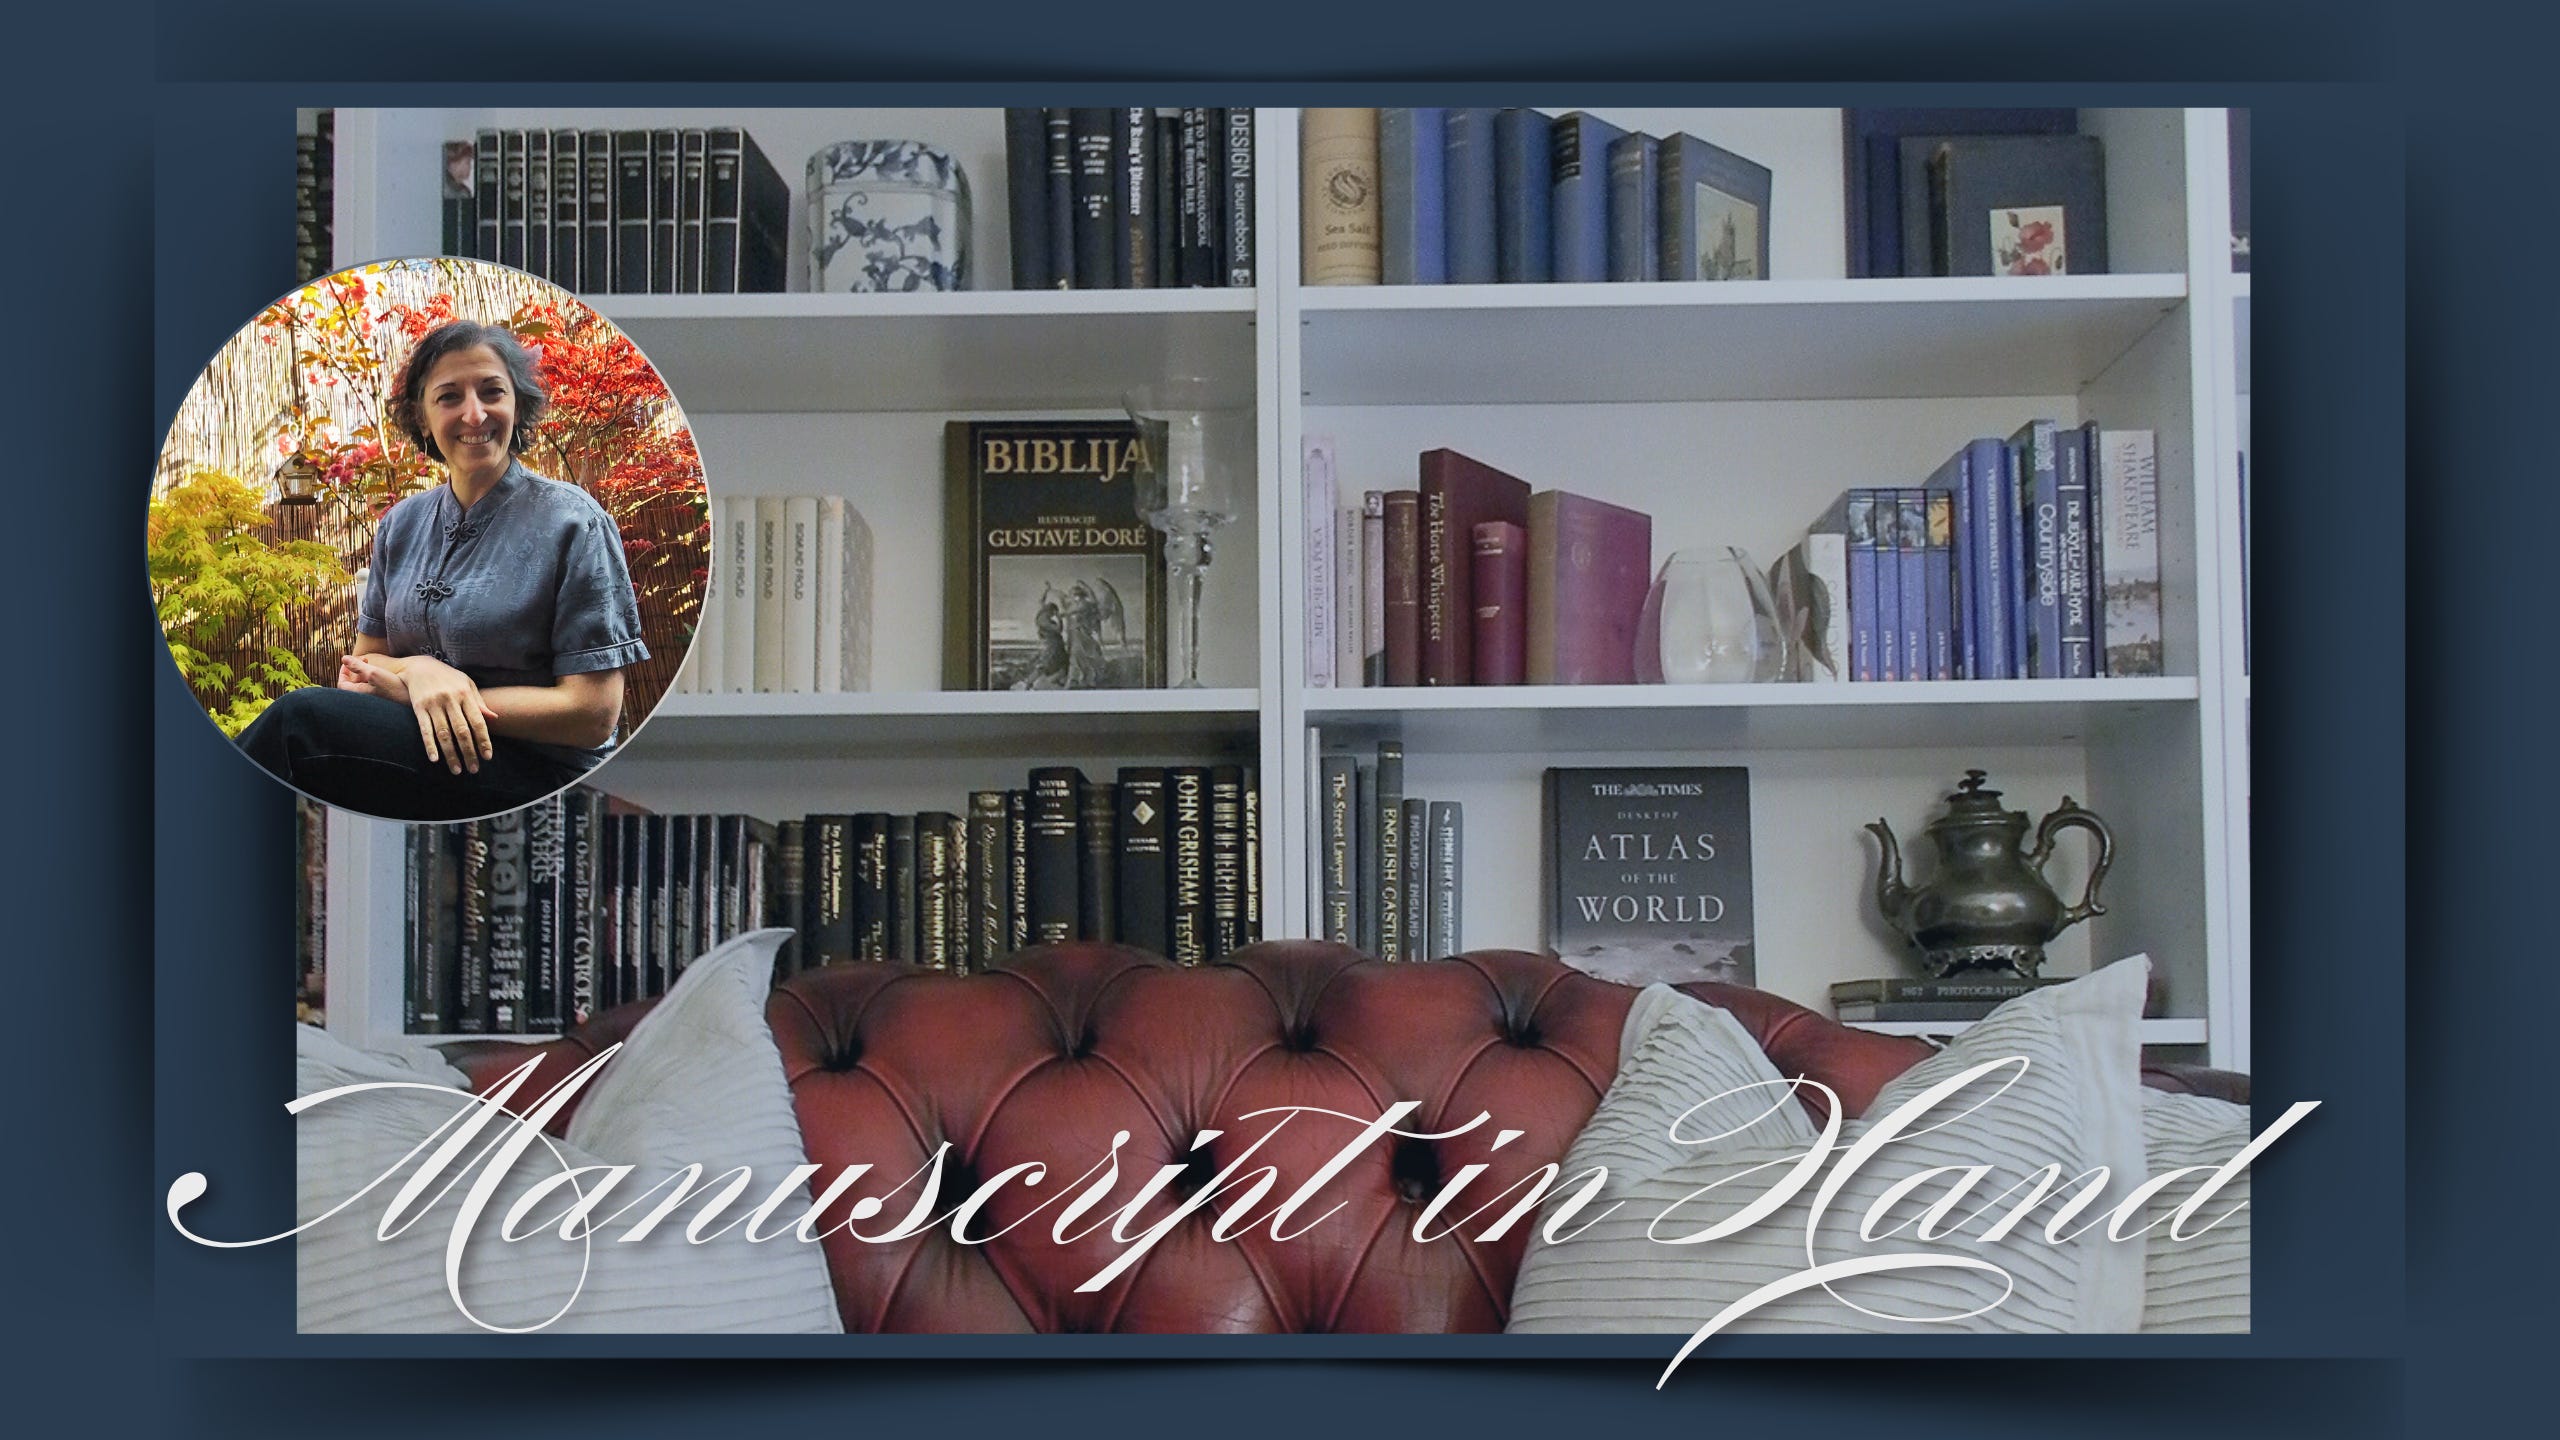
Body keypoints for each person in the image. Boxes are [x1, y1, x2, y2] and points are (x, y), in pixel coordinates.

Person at [235, 320, 649, 821]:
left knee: (299, 722)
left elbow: (592, 715)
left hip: (541, 773)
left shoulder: (573, 522)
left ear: (517, 402)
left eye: (492, 391)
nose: (475, 413)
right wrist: (421, 673)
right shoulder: (401, 525)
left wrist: (449, 696)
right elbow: (363, 668)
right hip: (428, 753)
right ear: (422, 417)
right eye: (449, 397)